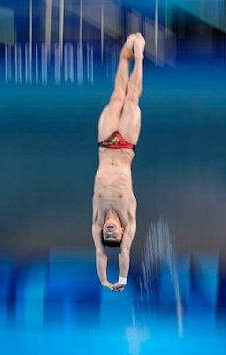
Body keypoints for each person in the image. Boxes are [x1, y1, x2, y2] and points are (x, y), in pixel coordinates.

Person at [92, 33, 145, 292]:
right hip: (124, 148)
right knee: (132, 98)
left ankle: (125, 55)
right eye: (116, 235)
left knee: (116, 96)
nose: (110, 233)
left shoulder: (97, 218)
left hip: (104, 145)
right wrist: (121, 280)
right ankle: (140, 55)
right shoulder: (129, 218)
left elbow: (101, 255)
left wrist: (103, 280)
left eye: (107, 235)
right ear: (123, 232)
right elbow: (122, 253)